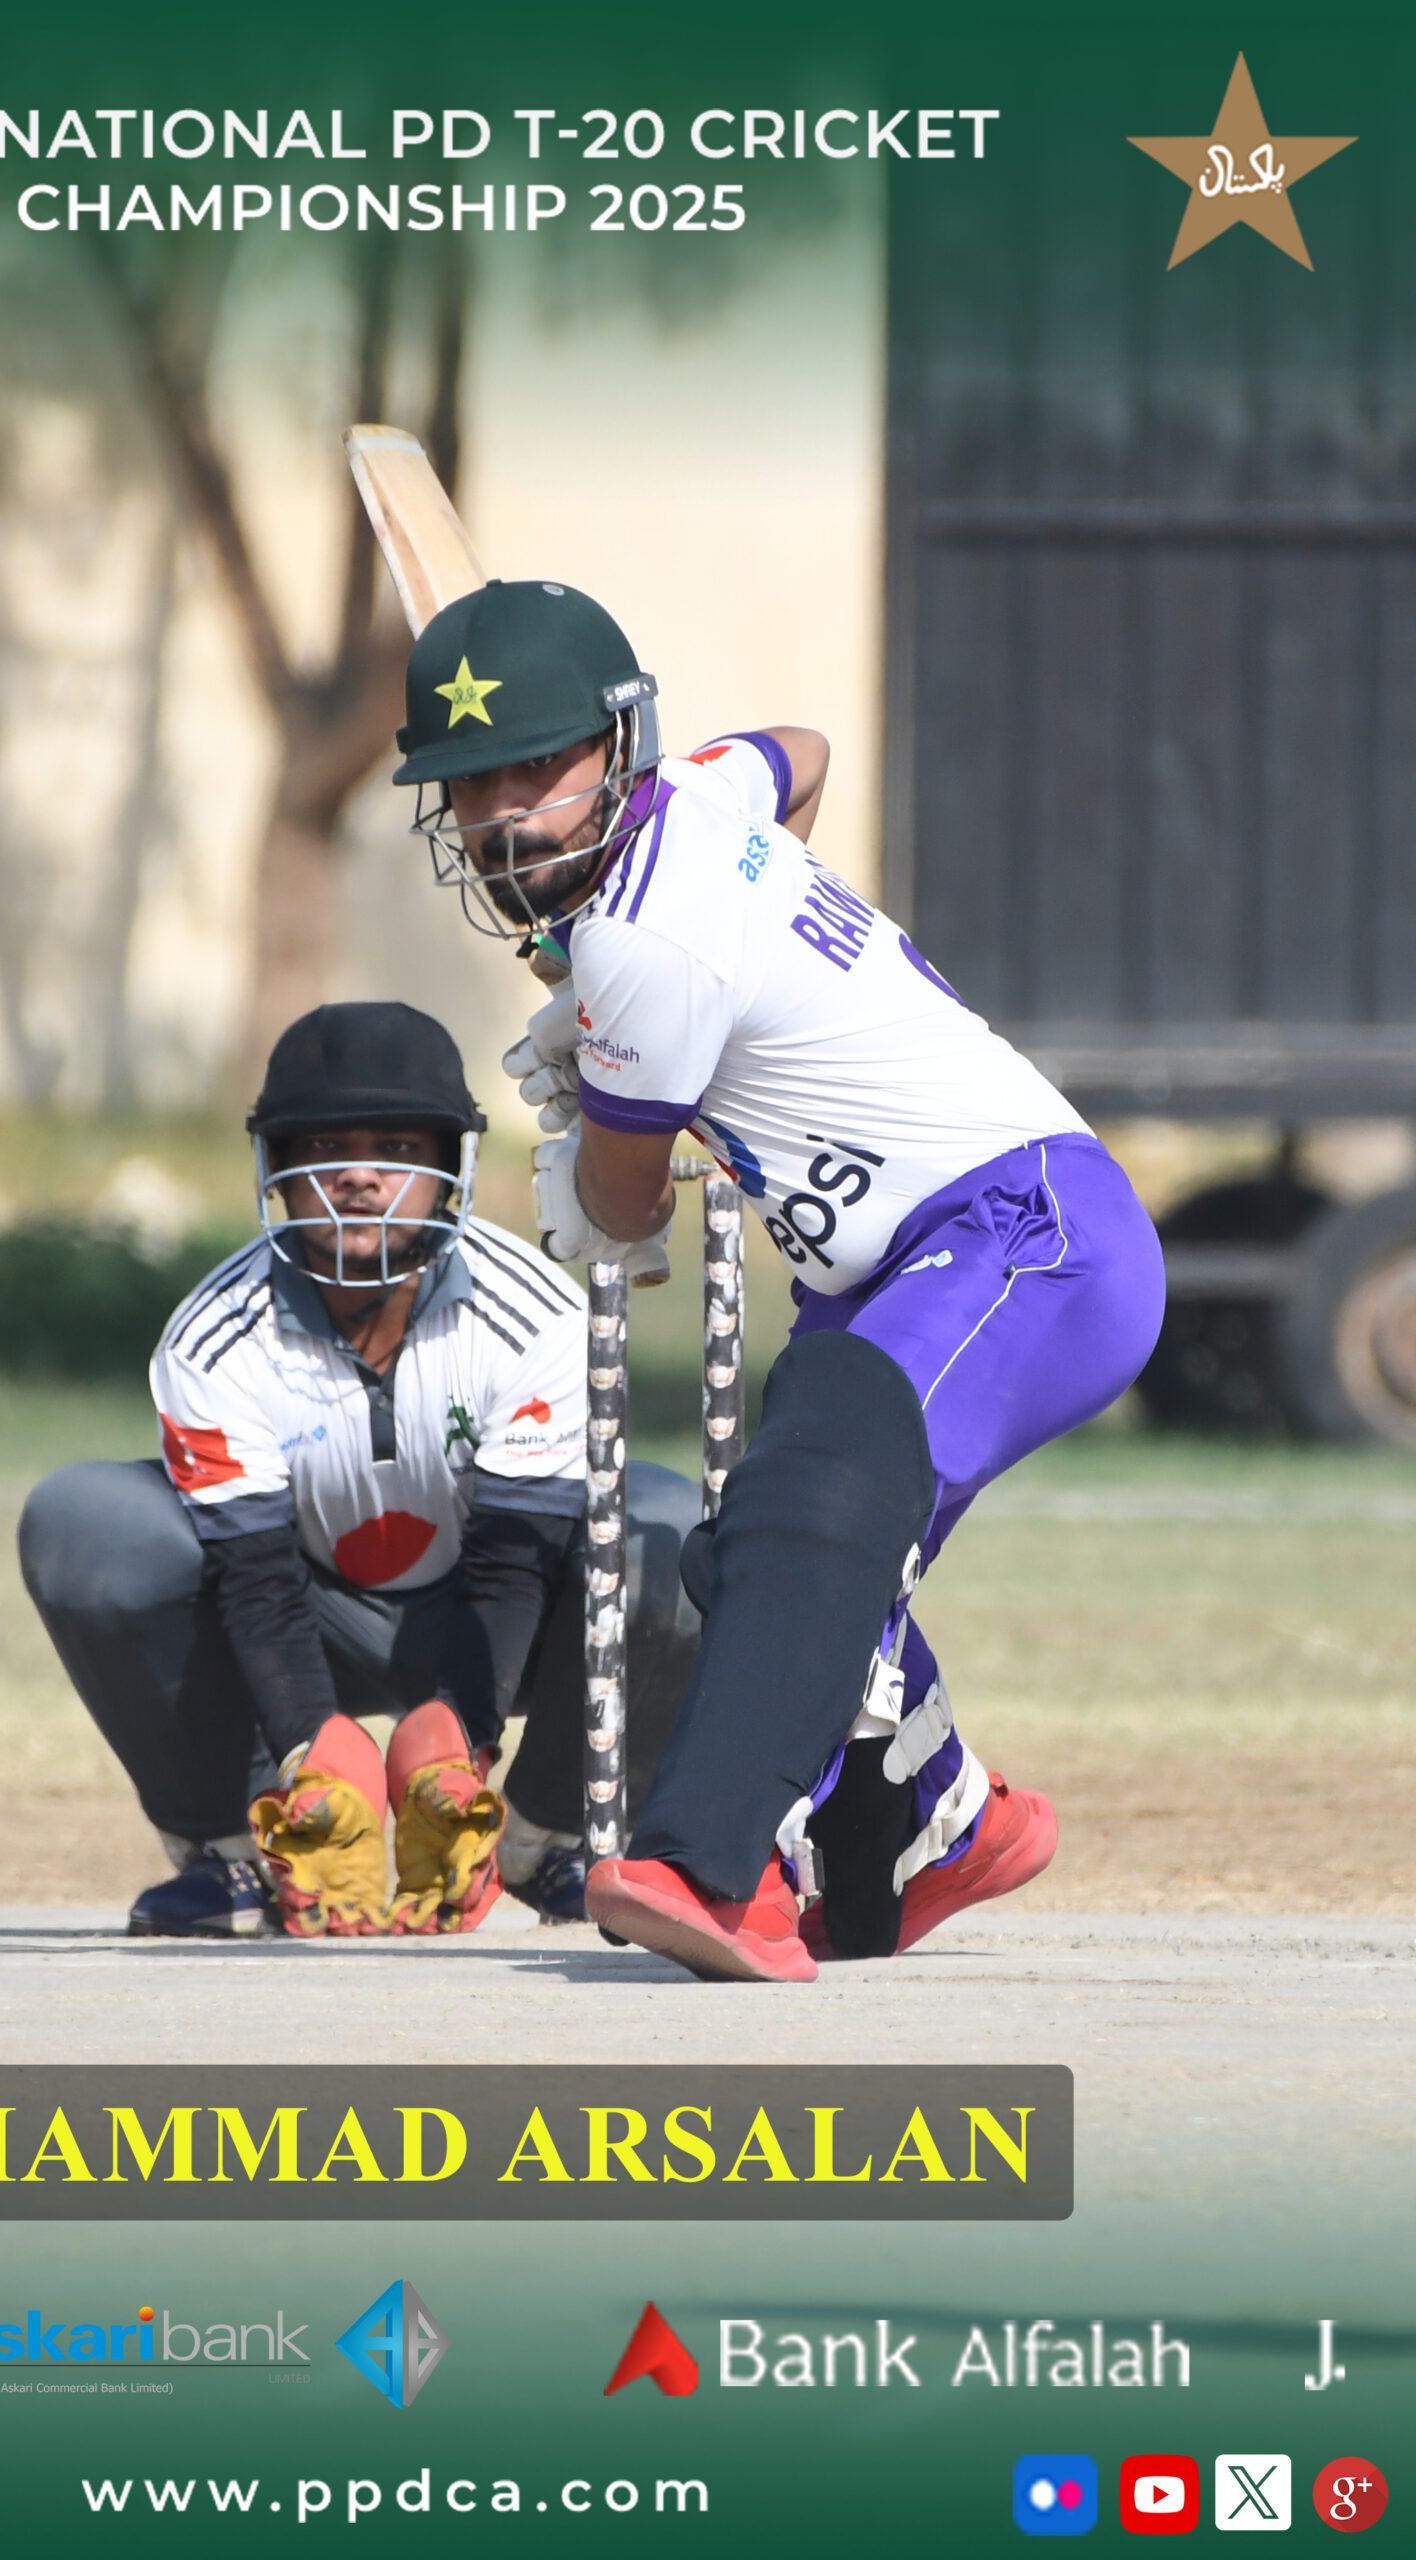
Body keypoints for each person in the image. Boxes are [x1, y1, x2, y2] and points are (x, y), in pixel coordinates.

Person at [387, 578, 1166, 1982]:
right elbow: (800, 751)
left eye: (536, 768)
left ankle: (706, 1870)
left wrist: (597, 1114)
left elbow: (625, 1210)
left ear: (617, 743)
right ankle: (938, 1828)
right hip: (887, 1272)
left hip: (1022, 1234)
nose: (505, 818)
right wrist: (687, 1004)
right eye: (472, 786)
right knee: (760, 1553)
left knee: (810, 1512)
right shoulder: (700, 794)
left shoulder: (641, 947)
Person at [18, 1000, 699, 1940]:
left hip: (500, 1618)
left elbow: (515, 1564)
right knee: (85, 1522)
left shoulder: (540, 1316)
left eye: (396, 1147)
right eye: (327, 1147)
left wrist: (458, 1740)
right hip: (302, 1612)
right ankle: (239, 1852)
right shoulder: (212, 1337)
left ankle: (546, 1838)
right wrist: (313, 1746)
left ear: (452, 1165)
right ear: (276, 1168)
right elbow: (254, 1579)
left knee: (672, 1529)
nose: (361, 1176)